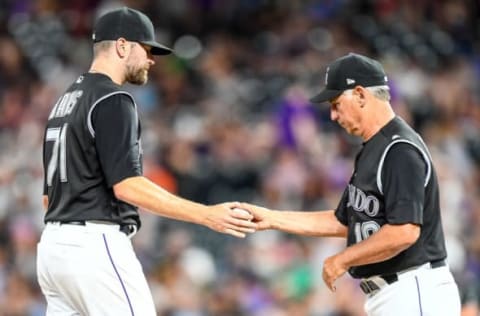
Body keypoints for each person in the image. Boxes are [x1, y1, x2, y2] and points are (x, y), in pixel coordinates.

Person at [37, 7, 256, 316]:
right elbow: (127, 186)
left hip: (54, 249)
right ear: (122, 45)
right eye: (146, 48)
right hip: (93, 245)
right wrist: (206, 214)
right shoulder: (112, 98)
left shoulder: (64, 102)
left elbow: (48, 197)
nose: (152, 59)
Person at [242, 53, 461, 315]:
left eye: (336, 103)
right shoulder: (374, 149)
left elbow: (404, 231)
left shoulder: (398, 149)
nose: (333, 115)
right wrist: (272, 218)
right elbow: (344, 222)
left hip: (413, 289)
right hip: (395, 293)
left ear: (359, 94)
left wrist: (344, 259)